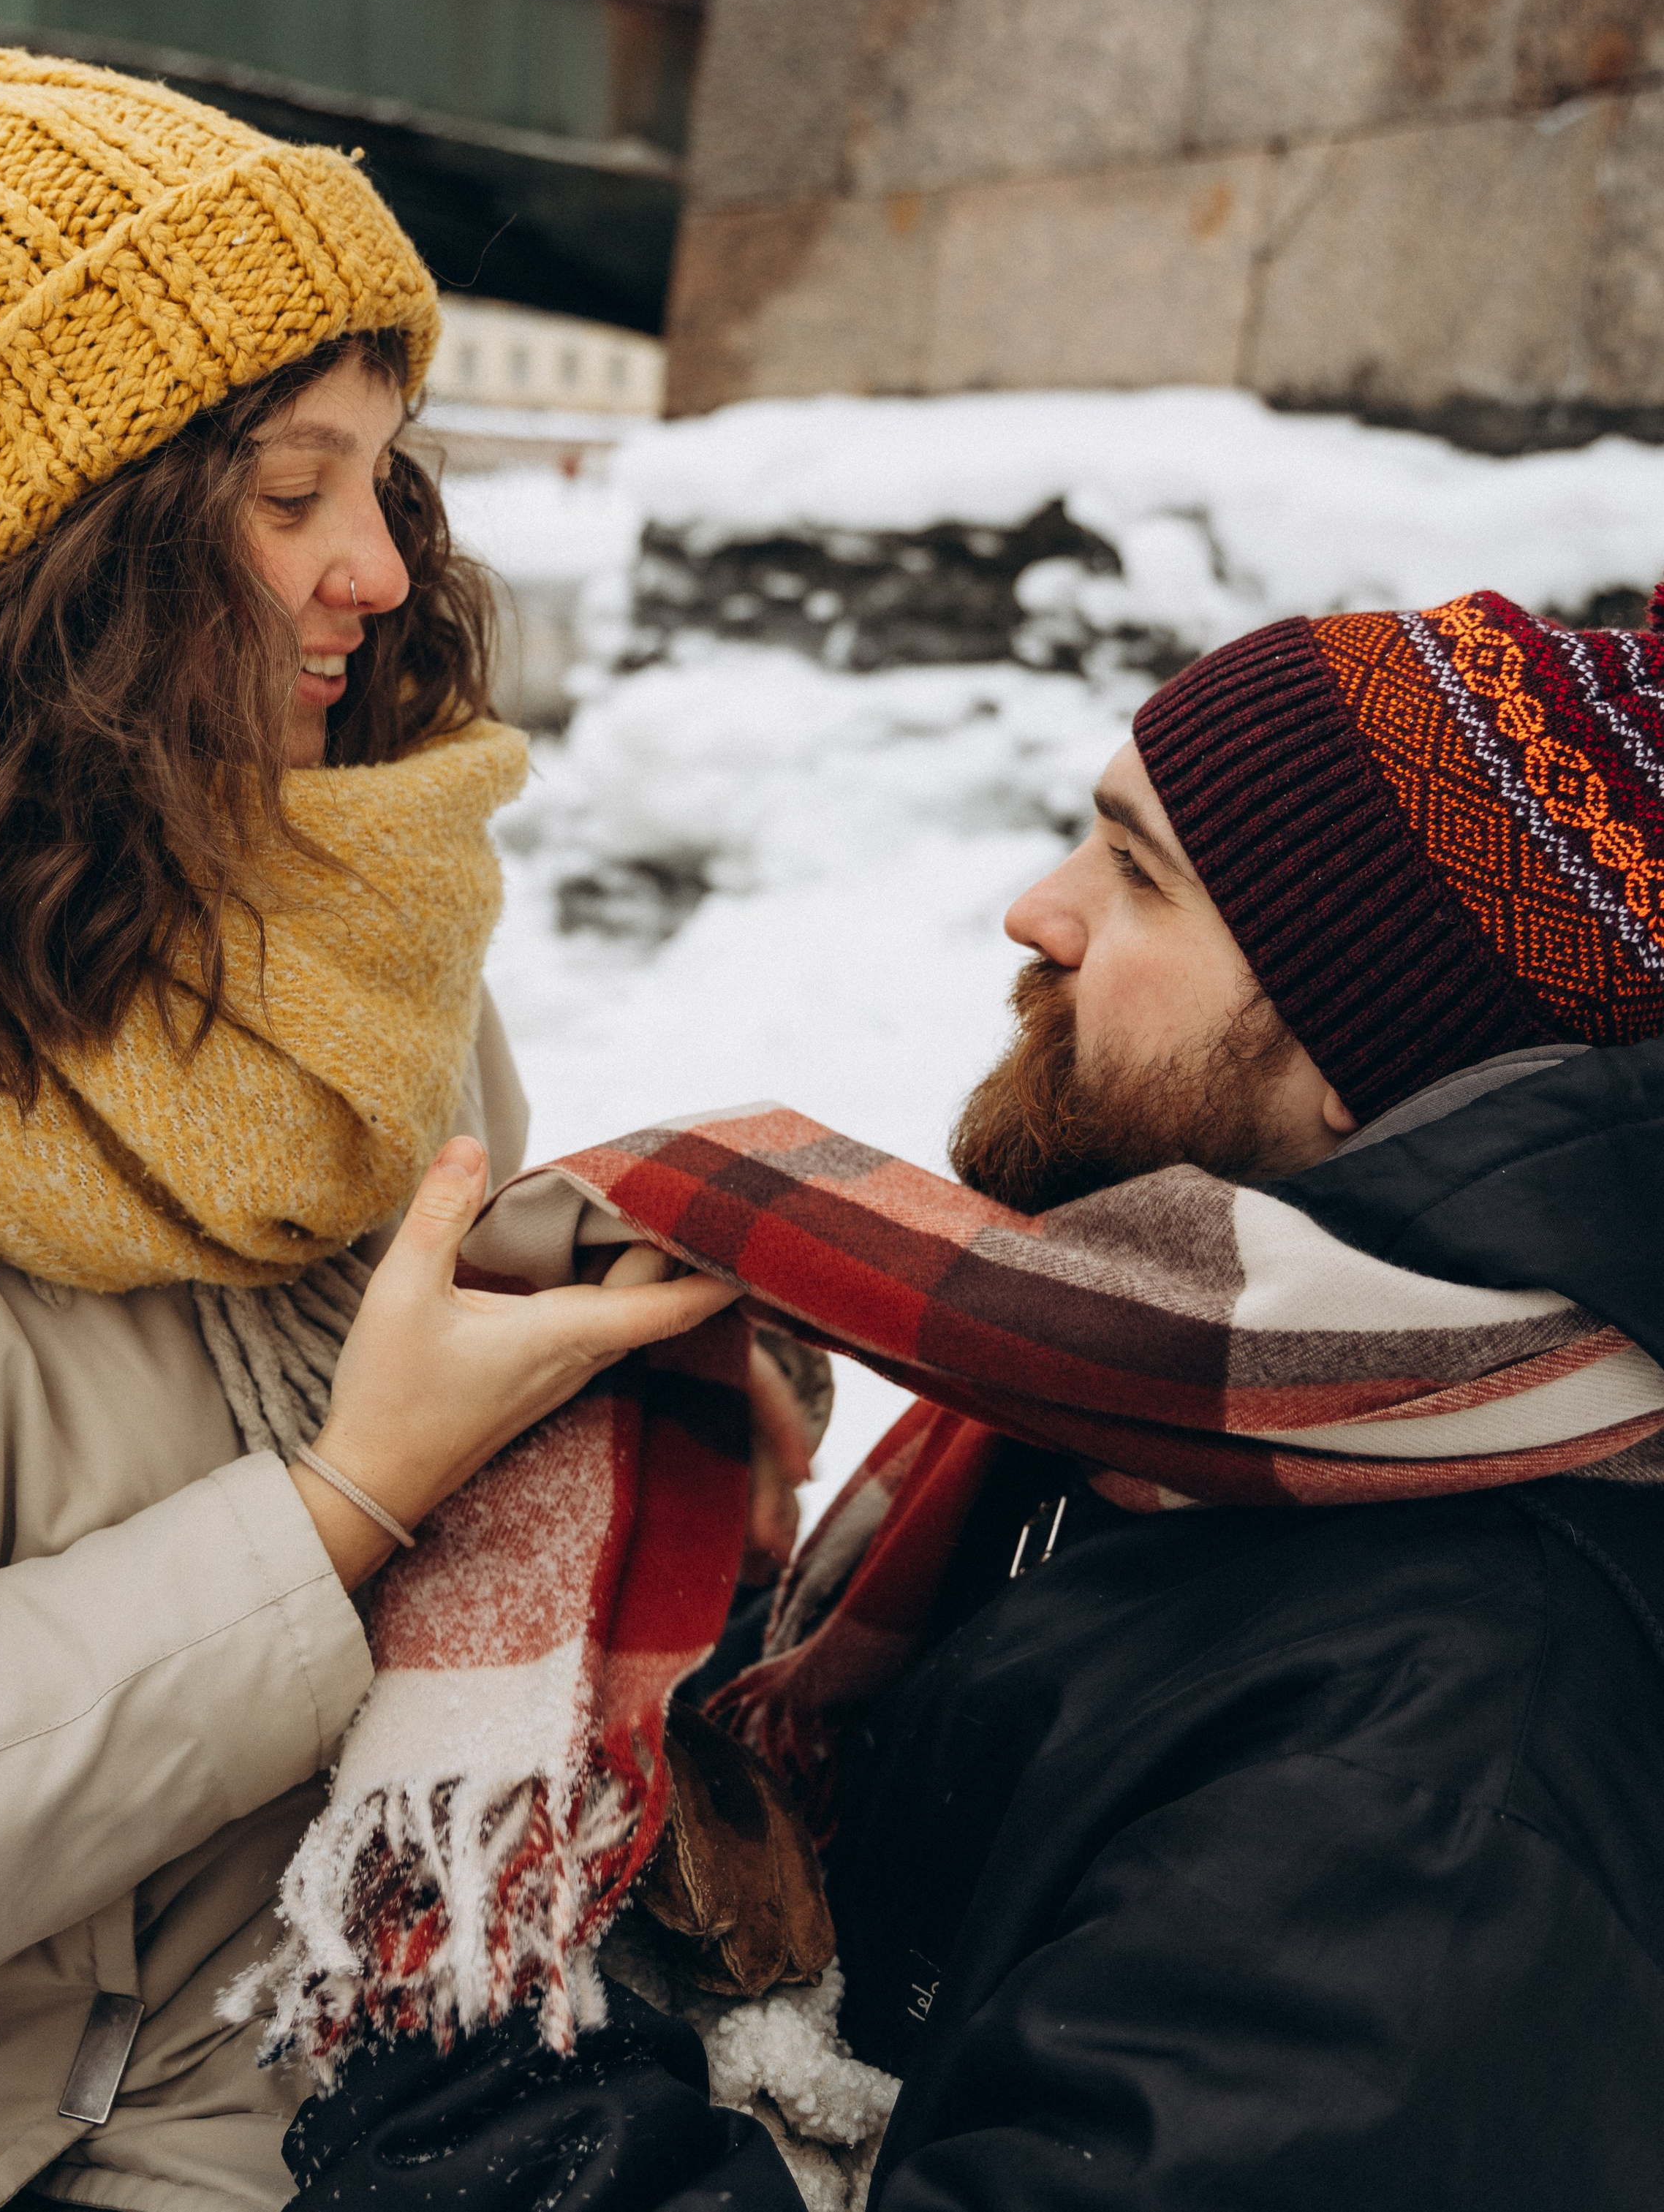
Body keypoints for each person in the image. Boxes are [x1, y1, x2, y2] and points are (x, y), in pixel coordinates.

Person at [290, 587, 1664, 2211]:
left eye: (1137, 873)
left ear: (1359, 1049)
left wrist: (456, 2015)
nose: (1036, 909)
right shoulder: (1181, 1404)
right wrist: (684, 1578)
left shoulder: (1435, 1801)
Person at [0, 47, 752, 2212]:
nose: (380, 572)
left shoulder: (355, 929)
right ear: (60, 544)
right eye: (287, 493)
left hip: (323, 2061)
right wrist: (342, 1498)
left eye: (386, 484)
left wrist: (591, 1353)